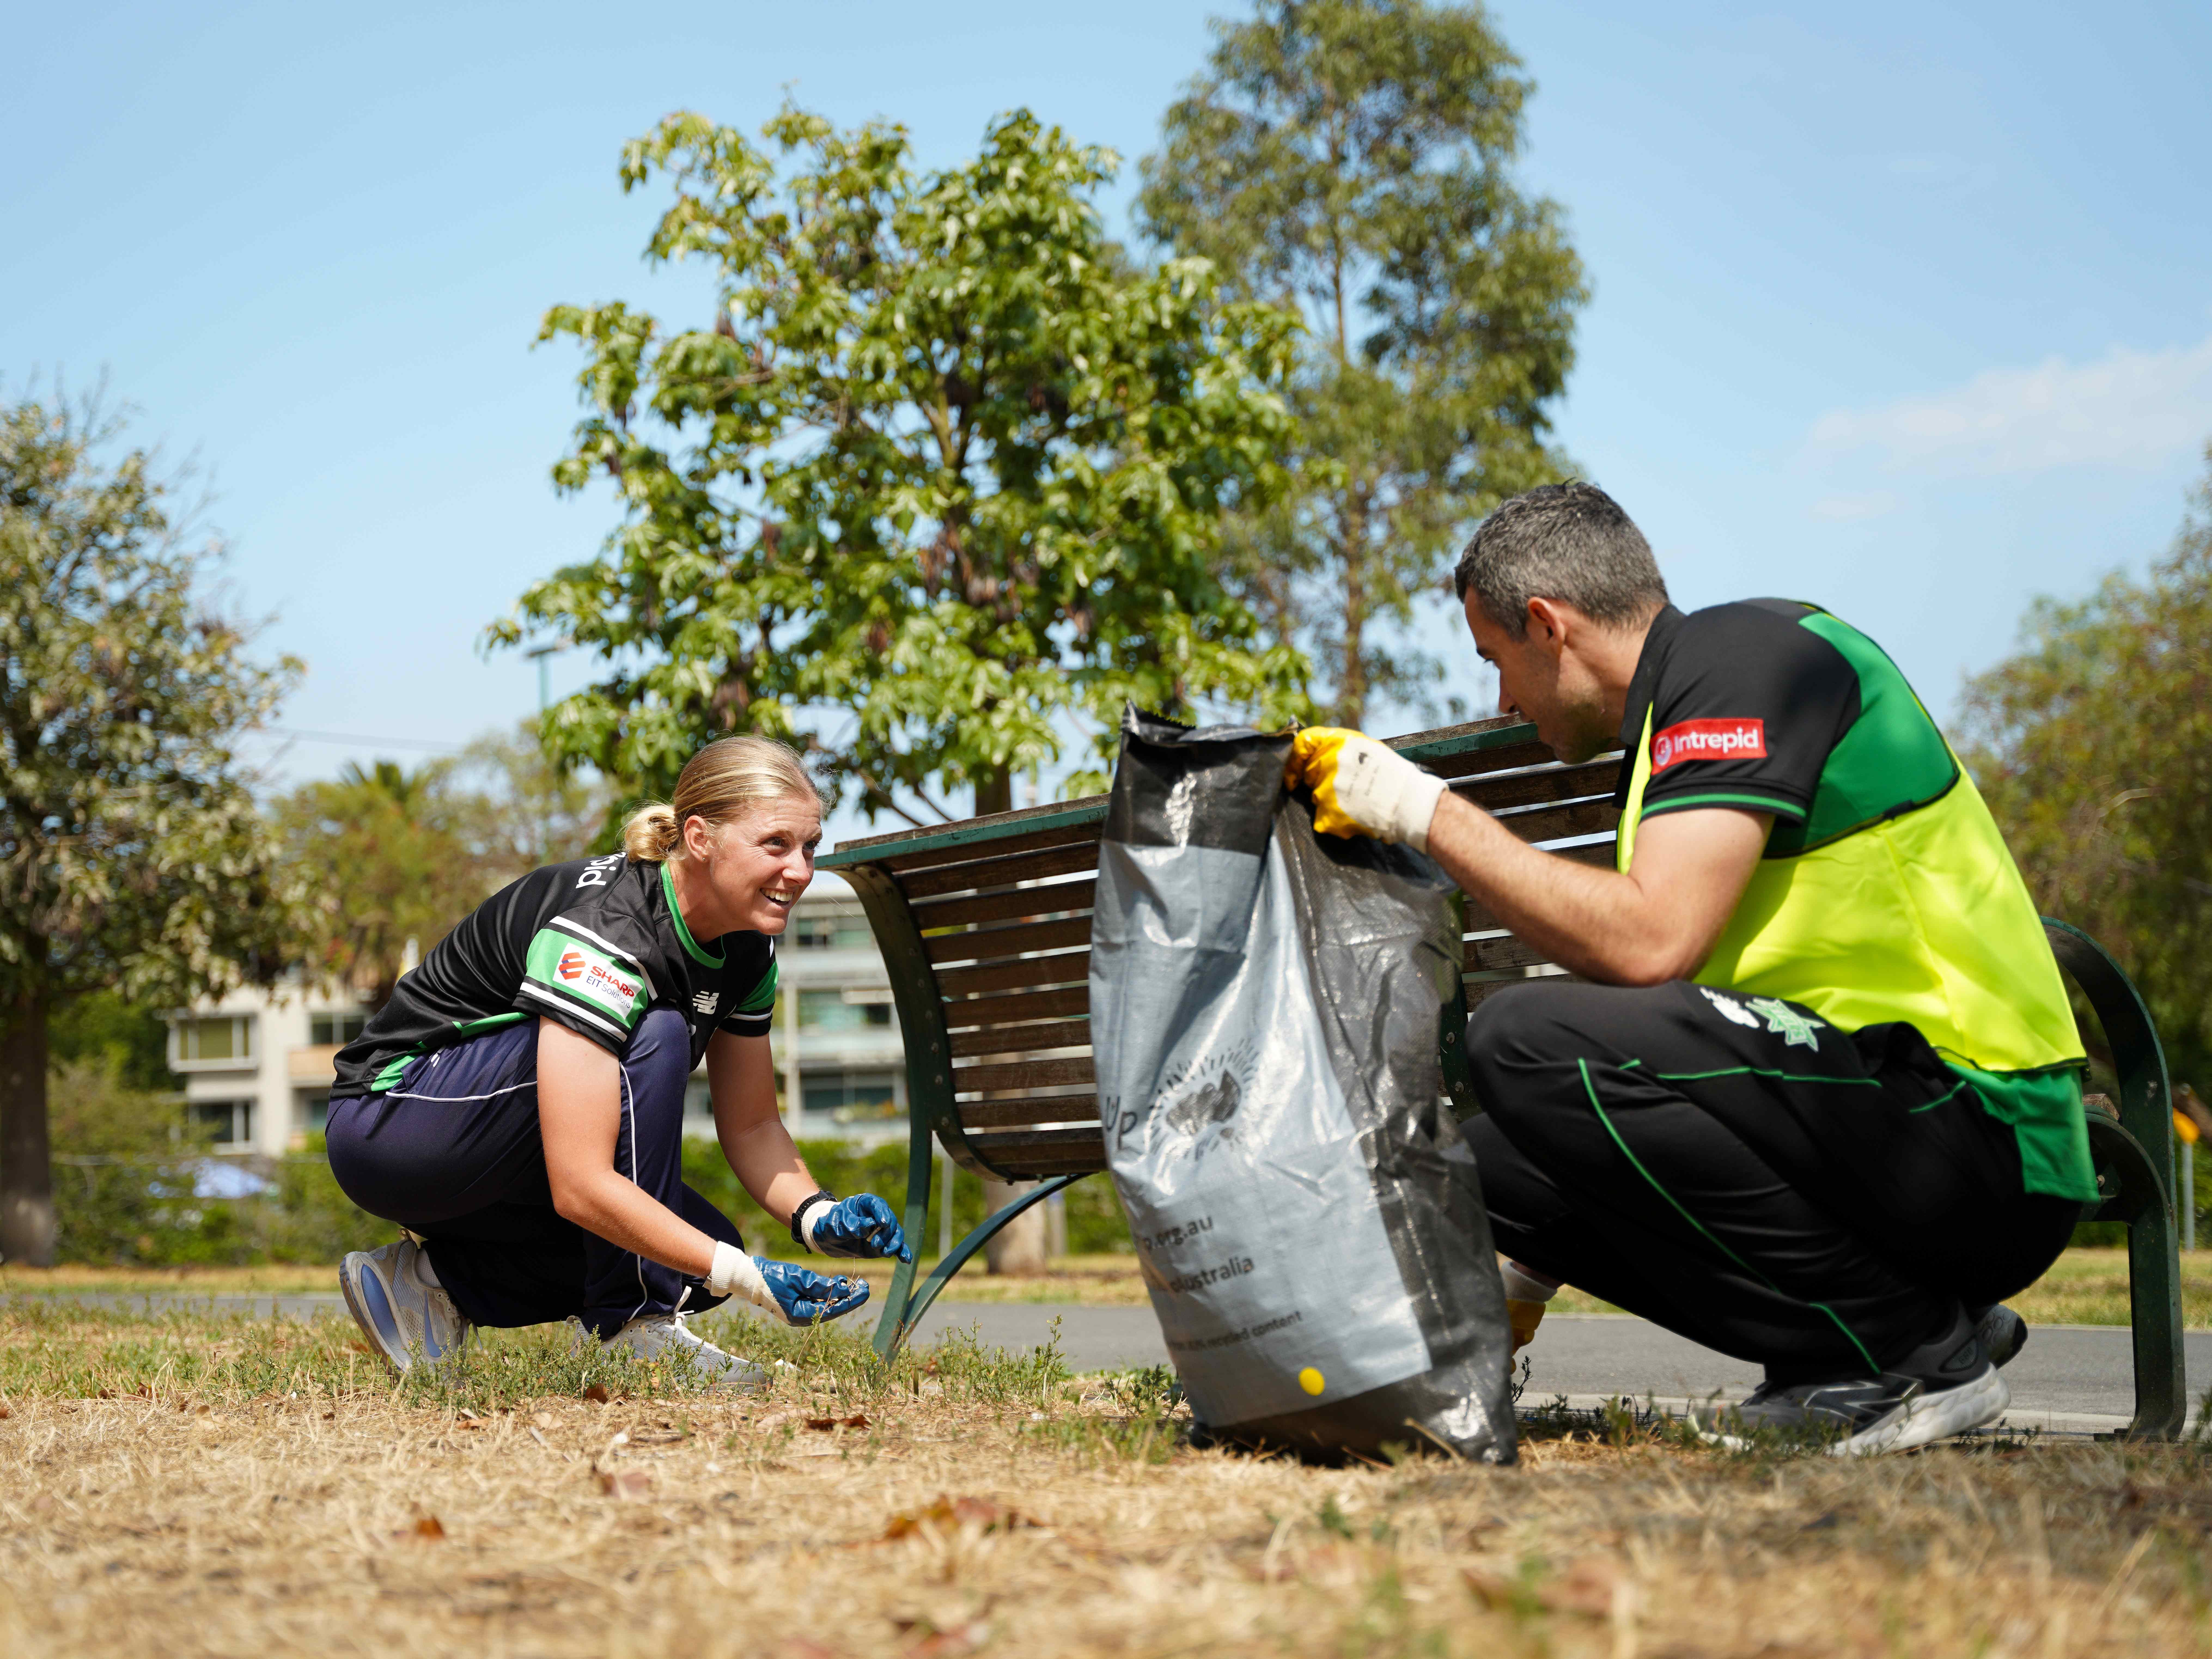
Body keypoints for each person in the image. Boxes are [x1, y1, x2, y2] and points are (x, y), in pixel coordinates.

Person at [1284, 482, 2093, 1455]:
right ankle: (1894, 1329)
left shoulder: (1750, 660)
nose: (1500, 700)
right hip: (1876, 1134)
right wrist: (1526, 1260)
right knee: (1474, 1172)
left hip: (1984, 1133)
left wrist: (1423, 811)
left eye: (1497, 662)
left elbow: (1649, 945)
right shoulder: (1674, 730)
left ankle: (1904, 1350)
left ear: (1548, 626)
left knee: (1520, 1037)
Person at [324, 735, 912, 1389]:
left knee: (693, 1245)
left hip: (493, 1155)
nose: (800, 870)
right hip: (390, 1125)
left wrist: (818, 1216)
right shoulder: (612, 929)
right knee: (655, 1033)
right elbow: (580, 1182)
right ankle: (633, 1331)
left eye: (809, 846)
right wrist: (747, 1275)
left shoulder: (748, 951)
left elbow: (751, 1126)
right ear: (699, 837)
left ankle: (430, 1284)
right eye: (774, 844)